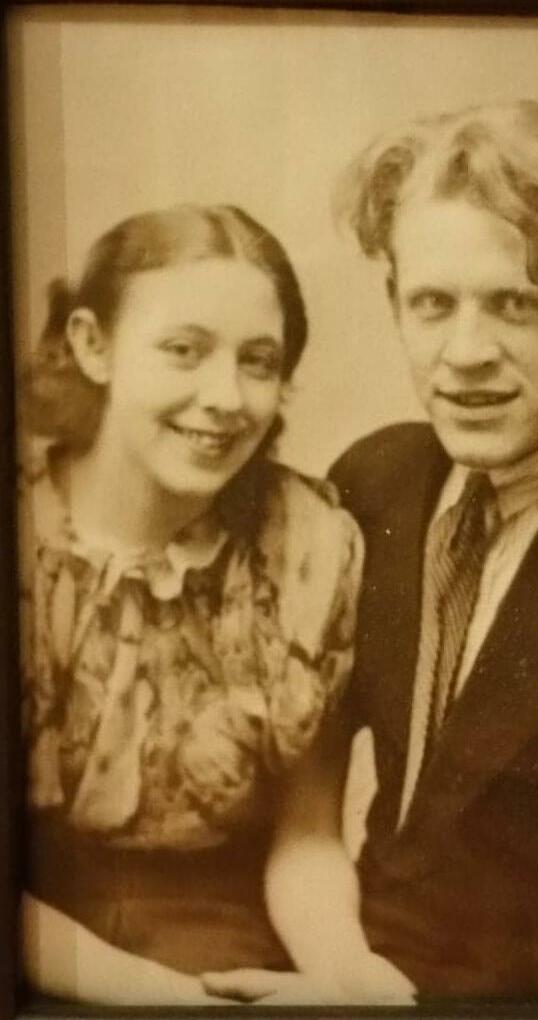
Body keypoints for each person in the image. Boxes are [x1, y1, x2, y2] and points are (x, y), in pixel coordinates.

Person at [211, 101, 538, 1004]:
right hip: (345, 966)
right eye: (432, 304)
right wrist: (343, 977)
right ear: (394, 303)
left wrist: (405, 1006)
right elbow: (303, 807)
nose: (464, 354)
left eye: (515, 304)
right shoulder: (372, 482)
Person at [18, 203, 404, 1006]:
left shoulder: (307, 544)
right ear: (92, 344)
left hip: (224, 948)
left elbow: (306, 840)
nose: (227, 397)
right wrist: (168, 1000)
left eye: (258, 362)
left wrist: (344, 975)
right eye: (184, 351)